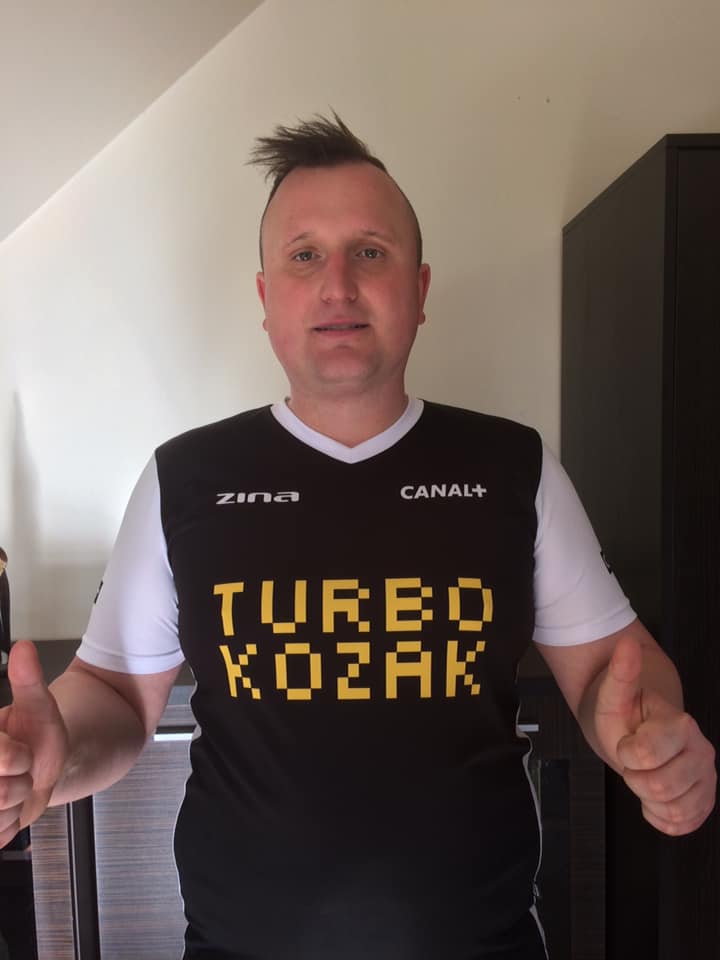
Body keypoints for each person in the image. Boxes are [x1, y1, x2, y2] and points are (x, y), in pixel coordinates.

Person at [0, 114, 716, 960]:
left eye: (369, 252)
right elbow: (116, 695)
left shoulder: (511, 468)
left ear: (419, 289)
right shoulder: (184, 479)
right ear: (266, 298)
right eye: (304, 255)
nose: (337, 284)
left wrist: (652, 728)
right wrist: (55, 755)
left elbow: (611, 670)